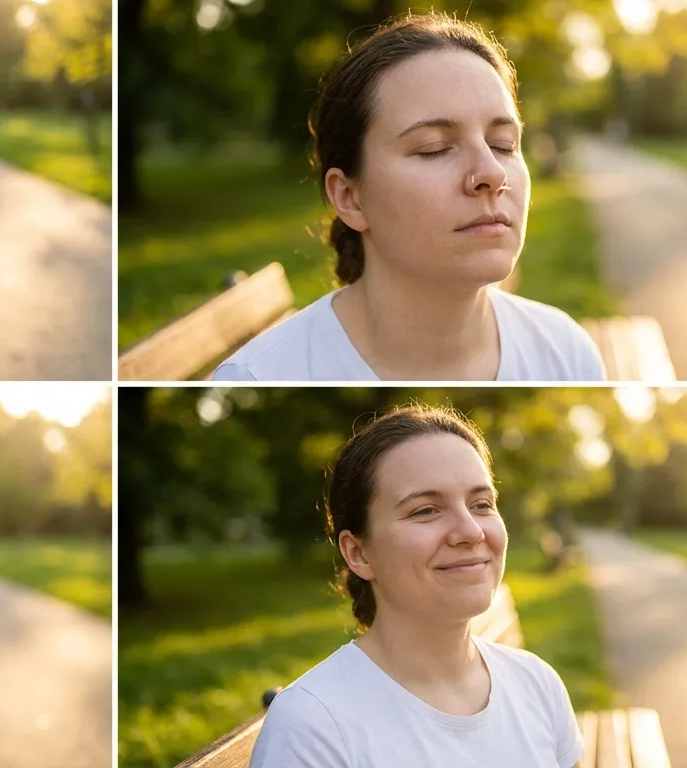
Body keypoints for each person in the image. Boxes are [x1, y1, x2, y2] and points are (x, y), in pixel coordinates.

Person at [214, 13, 605, 382]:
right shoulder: (262, 374)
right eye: (434, 148)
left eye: (503, 145)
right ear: (350, 198)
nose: (492, 173)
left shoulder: (566, 354)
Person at [249, 404, 583, 767]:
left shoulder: (536, 683)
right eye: (425, 510)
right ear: (359, 553)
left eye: (481, 504)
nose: (471, 531)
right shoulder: (313, 728)